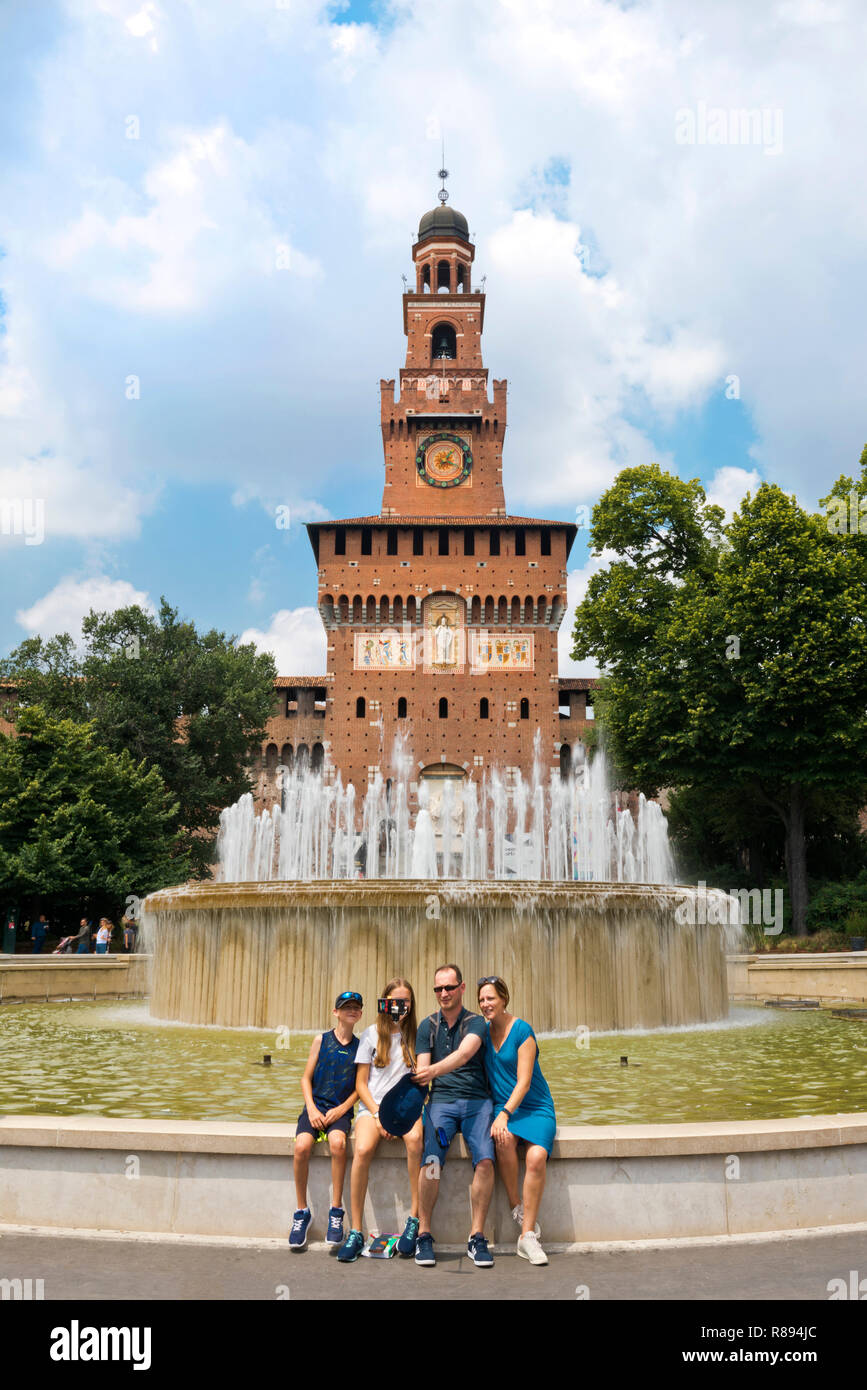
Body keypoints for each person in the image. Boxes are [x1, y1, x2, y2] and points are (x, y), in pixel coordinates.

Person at [413, 963, 495, 1268]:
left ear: (461, 988)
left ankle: (476, 1236)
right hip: (441, 1102)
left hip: (477, 1101)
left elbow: (464, 1054)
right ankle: (424, 1233)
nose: (444, 993)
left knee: (485, 1160)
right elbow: (422, 1068)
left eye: (449, 987)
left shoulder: (476, 1023)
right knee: (432, 1161)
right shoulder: (427, 1026)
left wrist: (431, 1071)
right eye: (438, 989)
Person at [337, 978, 423, 1264]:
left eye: (406, 1001)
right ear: (385, 1003)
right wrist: (378, 1114)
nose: (401, 1006)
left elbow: (422, 1082)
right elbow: (361, 1084)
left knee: (414, 1141)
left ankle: (414, 1218)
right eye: (395, 1001)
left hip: (406, 1110)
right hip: (372, 1110)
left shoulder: (417, 1036)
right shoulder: (371, 1035)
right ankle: (356, 1230)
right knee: (361, 1151)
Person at [478, 976, 556, 1267]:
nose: (486, 1004)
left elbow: (523, 1083)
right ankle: (516, 1207)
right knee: (504, 1140)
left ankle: (527, 1238)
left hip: (534, 1106)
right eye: (482, 1000)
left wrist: (504, 1114)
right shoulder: (483, 1034)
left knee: (536, 1157)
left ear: (504, 999)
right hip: (504, 1107)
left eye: (491, 998)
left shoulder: (523, 1030)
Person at [290, 990, 363, 1250]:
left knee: (338, 1144)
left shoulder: (361, 1046)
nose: (351, 1011)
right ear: (336, 1012)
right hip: (315, 1107)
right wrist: (311, 1108)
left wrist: (342, 1109)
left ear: (361, 1013)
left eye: (355, 1007)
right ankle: (301, 1212)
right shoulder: (321, 1040)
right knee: (301, 1147)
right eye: (346, 1007)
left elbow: (360, 1087)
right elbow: (305, 1078)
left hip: (339, 1112)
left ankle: (336, 1211)